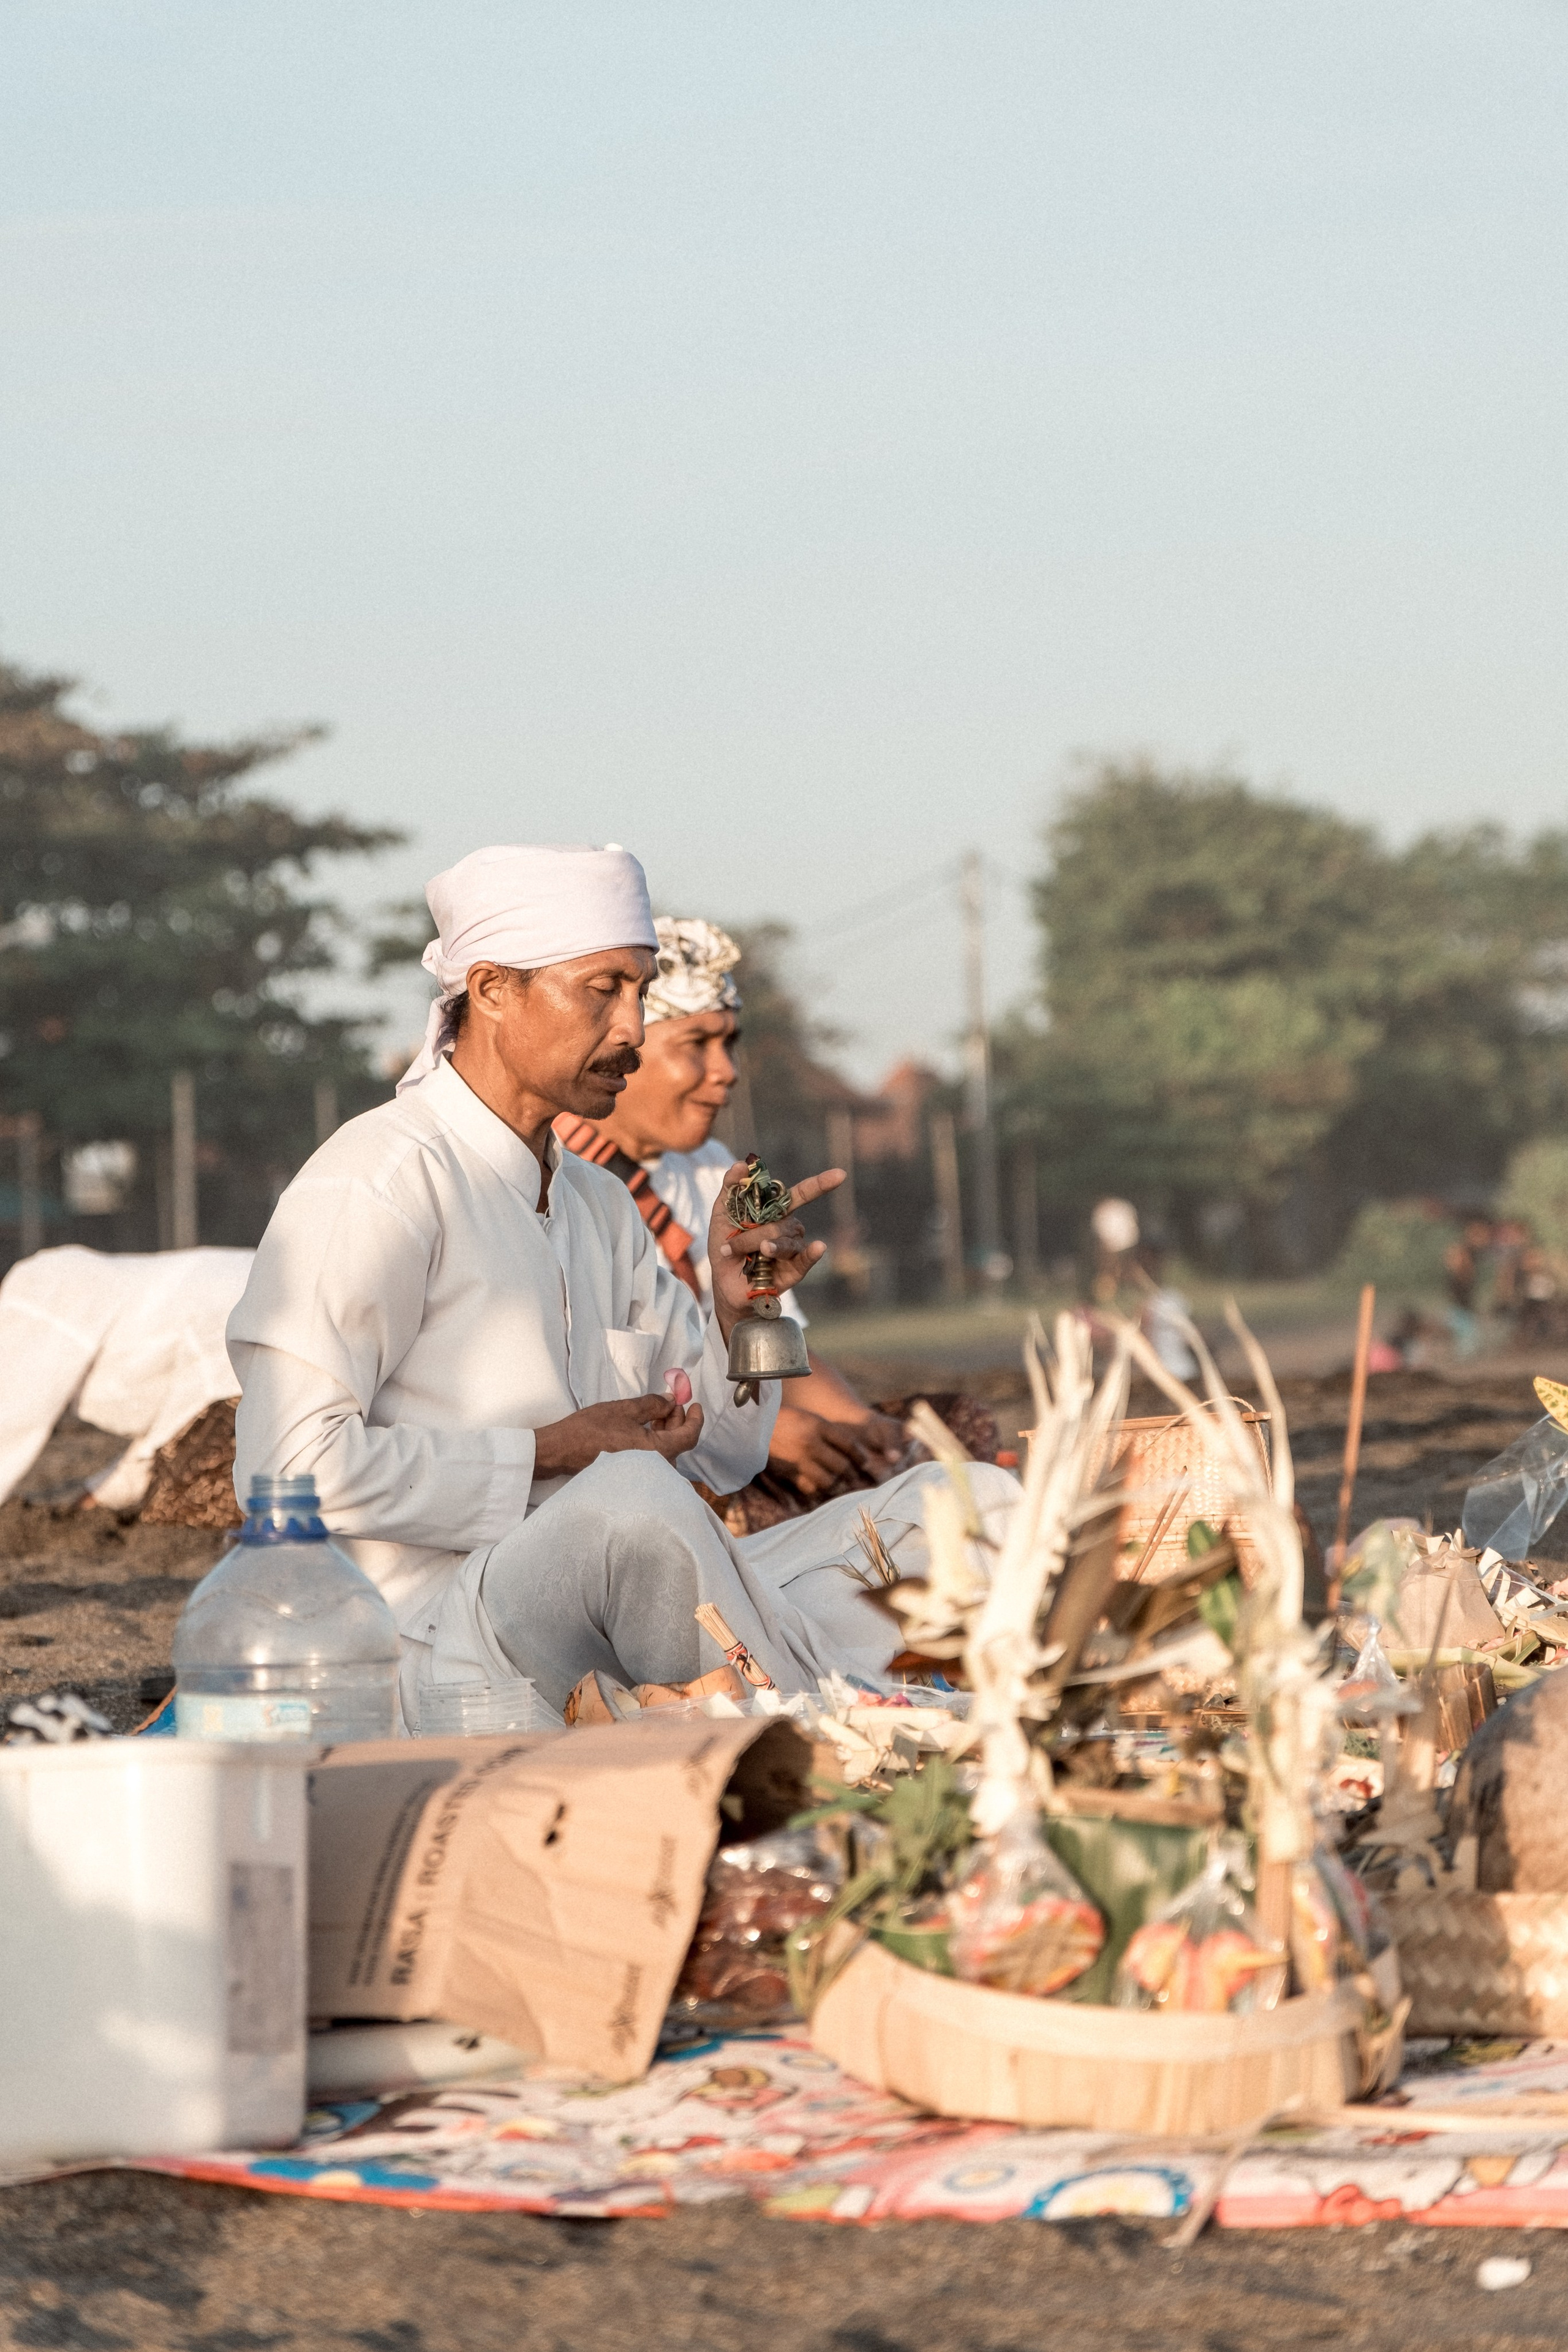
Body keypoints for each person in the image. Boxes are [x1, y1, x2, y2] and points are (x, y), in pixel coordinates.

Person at [228, 845, 1019, 1728]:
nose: (633, 1027)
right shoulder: (377, 1180)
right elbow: (281, 1468)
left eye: (640, 991)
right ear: (491, 990)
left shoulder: (597, 1201)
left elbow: (728, 1454)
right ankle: (845, 1715)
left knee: (968, 1503)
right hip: (436, 1641)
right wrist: (551, 1452)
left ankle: (805, 1697)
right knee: (632, 1498)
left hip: (623, 1606)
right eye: (601, 990)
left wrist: (748, 1309)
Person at [554, 917, 907, 1507]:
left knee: (935, 1440)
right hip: (641, 1468)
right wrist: (761, 1435)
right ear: (627, 1047)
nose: (727, 1072)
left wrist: (858, 1422)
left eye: (729, 1043)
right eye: (696, 1045)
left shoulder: (715, 1169)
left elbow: (766, 1339)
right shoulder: (562, 1177)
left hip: (727, 1427)